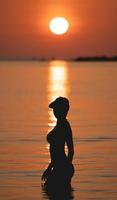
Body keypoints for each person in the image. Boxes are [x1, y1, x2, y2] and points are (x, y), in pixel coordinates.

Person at [42, 97, 74, 191]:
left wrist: (66, 168)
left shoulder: (65, 125)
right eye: (54, 109)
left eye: (57, 108)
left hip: (62, 167)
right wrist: (49, 168)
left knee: (54, 192)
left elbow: (71, 150)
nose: (54, 111)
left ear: (64, 110)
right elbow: (56, 152)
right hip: (57, 165)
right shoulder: (59, 124)